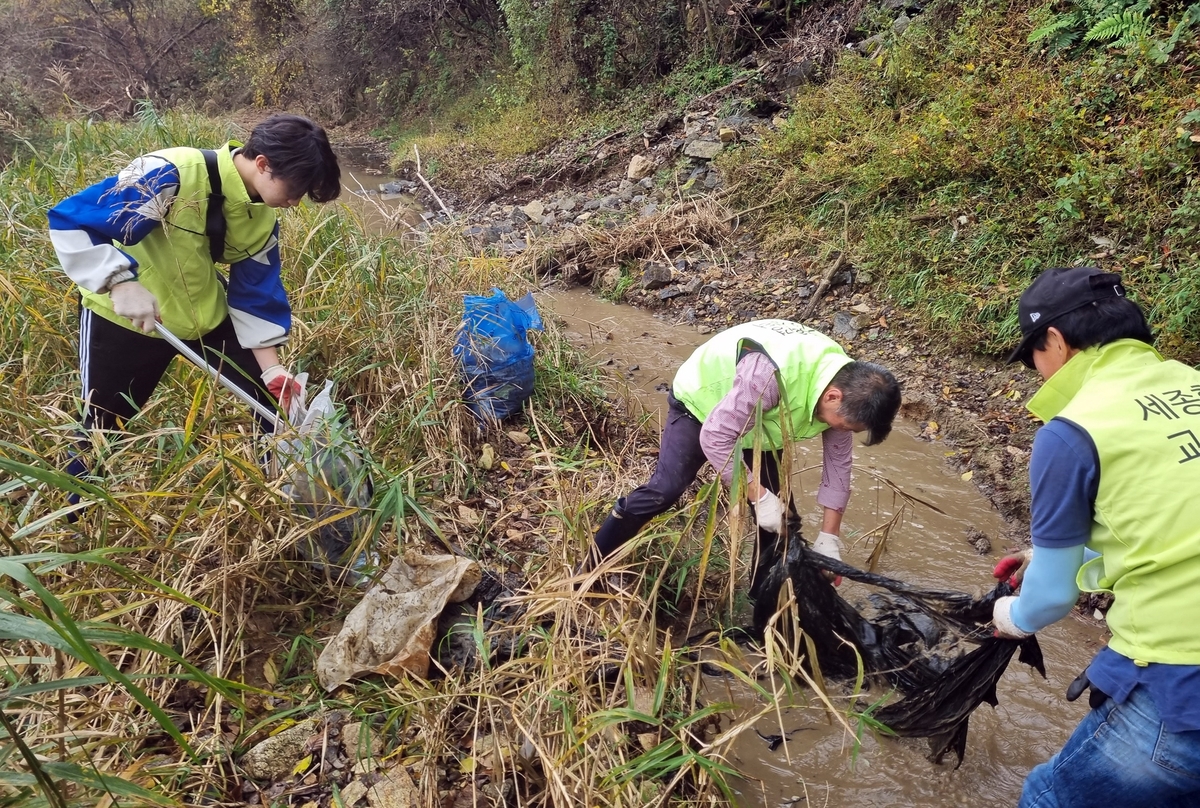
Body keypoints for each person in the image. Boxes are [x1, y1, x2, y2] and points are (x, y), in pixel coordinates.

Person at [990, 266, 1200, 807]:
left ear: (1055, 341)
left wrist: (1012, 616)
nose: (1037, 373)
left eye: (1034, 356)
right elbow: (1168, 514)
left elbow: (1053, 598)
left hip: (1185, 678)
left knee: (1049, 797)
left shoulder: (1073, 430)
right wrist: (1055, 552)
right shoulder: (1190, 382)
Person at [48, 114, 342, 498]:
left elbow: (256, 294)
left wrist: (272, 370)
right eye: (295, 187)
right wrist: (118, 283)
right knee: (102, 424)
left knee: (275, 404)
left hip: (205, 317)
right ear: (263, 164)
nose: (295, 201)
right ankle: (76, 516)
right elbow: (71, 221)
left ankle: (282, 496)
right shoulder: (169, 172)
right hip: (126, 321)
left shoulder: (262, 219)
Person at [583, 318, 901, 597]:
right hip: (703, 407)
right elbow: (716, 436)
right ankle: (589, 570)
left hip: (762, 423)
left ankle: (761, 598)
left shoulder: (847, 386)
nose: (842, 431)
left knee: (782, 520)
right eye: (844, 425)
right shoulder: (768, 376)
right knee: (665, 489)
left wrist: (829, 536)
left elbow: (838, 466)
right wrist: (757, 495)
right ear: (833, 396)